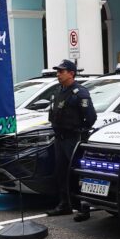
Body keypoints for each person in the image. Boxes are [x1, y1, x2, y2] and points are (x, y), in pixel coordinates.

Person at [45, 59, 96, 220]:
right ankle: (65, 204)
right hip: (60, 138)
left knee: (78, 173)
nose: (58, 74)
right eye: (57, 71)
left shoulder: (80, 93)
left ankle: (84, 207)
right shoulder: (58, 90)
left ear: (71, 73)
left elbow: (91, 117)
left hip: (73, 138)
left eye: (61, 71)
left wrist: (79, 131)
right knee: (61, 172)